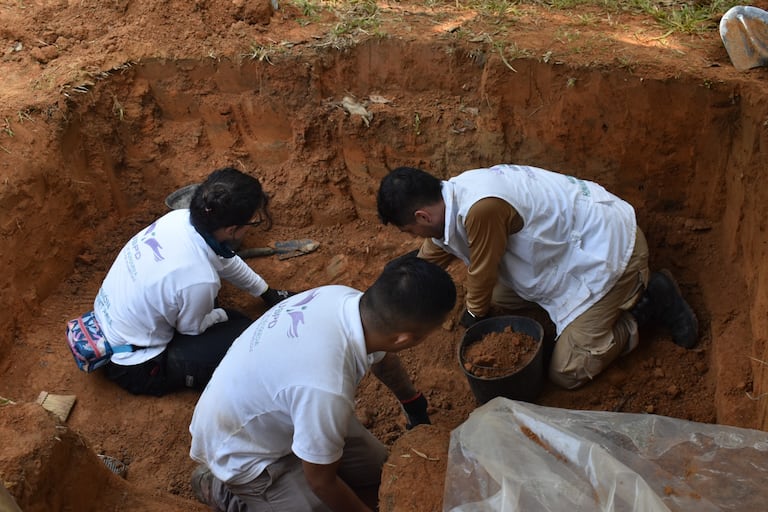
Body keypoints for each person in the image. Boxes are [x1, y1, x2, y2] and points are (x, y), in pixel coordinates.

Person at [376, 164, 699, 390]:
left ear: (422, 216)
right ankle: (576, 319)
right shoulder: (451, 196)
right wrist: (399, 285)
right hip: (566, 248)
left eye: (410, 230)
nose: (415, 236)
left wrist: (474, 314)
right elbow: (435, 249)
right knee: (505, 297)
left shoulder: (481, 208)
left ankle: (649, 304)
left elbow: (482, 271)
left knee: (567, 372)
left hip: (608, 254)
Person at [188, 254, 457, 512]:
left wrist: (412, 401)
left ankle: (307, 447)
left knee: (380, 468)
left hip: (283, 407)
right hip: (242, 446)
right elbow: (321, 481)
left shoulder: (347, 301)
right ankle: (218, 486)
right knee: (319, 505)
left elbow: (382, 359)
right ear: (403, 338)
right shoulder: (327, 387)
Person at [92, 166, 295, 396]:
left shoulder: (179, 219)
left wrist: (266, 291)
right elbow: (191, 329)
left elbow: (225, 259)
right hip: (135, 364)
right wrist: (224, 315)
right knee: (248, 338)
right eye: (251, 222)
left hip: (108, 324)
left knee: (215, 309)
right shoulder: (199, 278)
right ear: (232, 229)